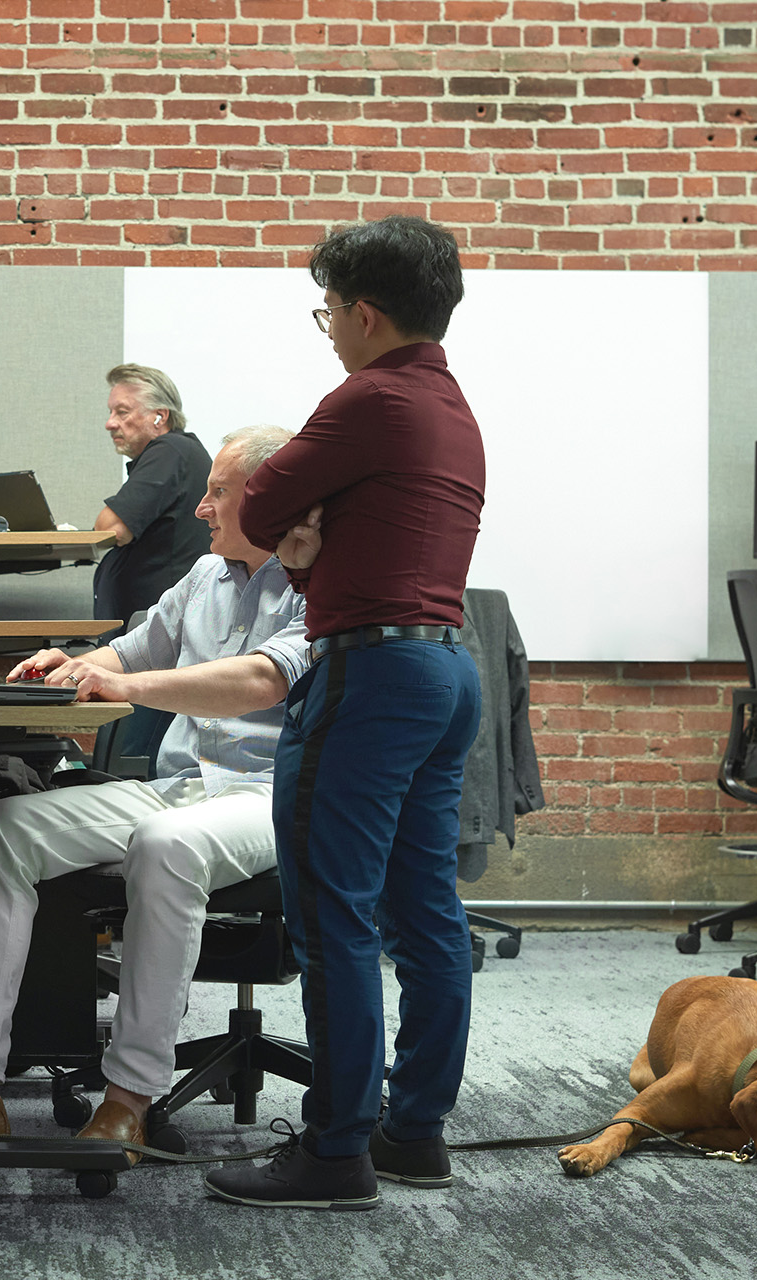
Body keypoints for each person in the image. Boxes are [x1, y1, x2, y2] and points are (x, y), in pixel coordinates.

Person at [0, 426, 309, 1157]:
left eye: (218, 492)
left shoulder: (321, 581)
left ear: (272, 496)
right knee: (1, 827)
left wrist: (124, 682)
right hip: (182, 785)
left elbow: (262, 680)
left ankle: (130, 1096)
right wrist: (80, 660)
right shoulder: (205, 576)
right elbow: (136, 645)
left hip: (268, 794)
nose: (201, 508)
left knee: (163, 845)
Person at [208, 215, 486, 1210]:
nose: (326, 326)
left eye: (328, 309)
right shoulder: (449, 403)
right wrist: (306, 535)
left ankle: (333, 1150)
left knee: (332, 917)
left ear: (365, 312)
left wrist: (298, 535)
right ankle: (412, 1130)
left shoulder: (366, 395)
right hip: (447, 672)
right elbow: (285, 522)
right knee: (424, 913)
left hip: (369, 678)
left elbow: (255, 507)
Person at [90, 364, 215, 626]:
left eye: (122, 412)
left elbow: (110, 528)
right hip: (155, 627)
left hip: (158, 631)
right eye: (111, 412)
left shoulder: (170, 450)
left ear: (159, 417)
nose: (109, 423)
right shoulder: (176, 452)